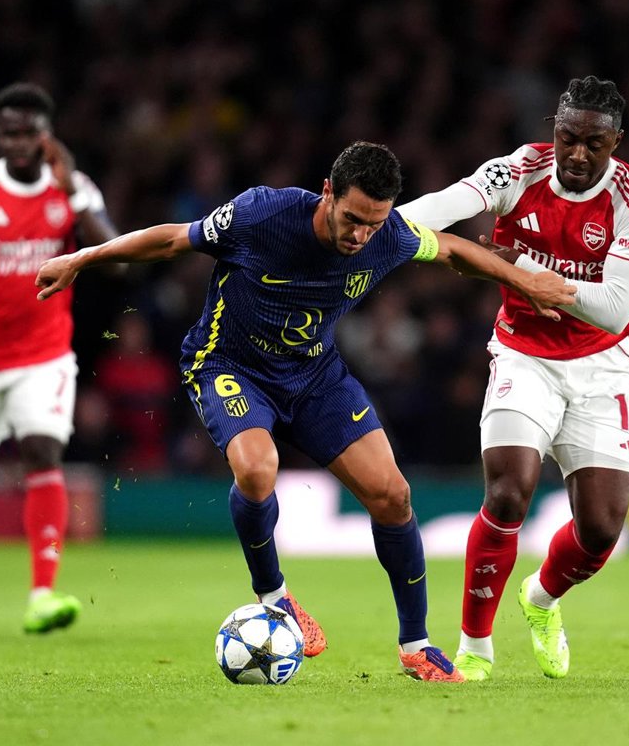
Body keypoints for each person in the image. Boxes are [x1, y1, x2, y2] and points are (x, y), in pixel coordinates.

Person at [34, 141, 576, 682]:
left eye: (374, 223)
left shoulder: (389, 236)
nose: (361, 235)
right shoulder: (262, 215)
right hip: (229, 364)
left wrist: (524, 281)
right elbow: (173, 239)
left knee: (393, 496)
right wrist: (81, 259)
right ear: (328, 193)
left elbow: (454, 251)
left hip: (314, 376)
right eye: (353, 219)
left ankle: (416, 645)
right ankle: (275, 595)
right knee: (256, 468)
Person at [398, 76, 629, 681]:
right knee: (508, 491)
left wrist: (516, 267)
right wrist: (384, 224)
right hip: (524, 356)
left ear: (616, 142)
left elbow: (614, 309)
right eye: (567, 137)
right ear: (554, 129)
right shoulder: (520, 170)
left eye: (594, 143)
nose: (577, 154)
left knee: (600, 529)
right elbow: (446, 203)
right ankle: (475, 648)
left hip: (602, 367)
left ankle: (541, 598)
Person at [0, 82, 120, 636]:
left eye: (25, 133)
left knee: (42, 450)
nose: (15, 142)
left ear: (45, 136)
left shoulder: (74, 188)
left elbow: (114, 259)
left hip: (44, 355)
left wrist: (73, 192)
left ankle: (42, 594)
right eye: (6, 132)